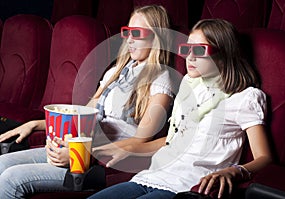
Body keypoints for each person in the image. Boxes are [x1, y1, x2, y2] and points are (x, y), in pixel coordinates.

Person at [0, 5, 177, 198]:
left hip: (105, 163)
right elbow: (84, 115)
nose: (130, 39)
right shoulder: (117, 71)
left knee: (11, 179)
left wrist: (83, 153)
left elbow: (139, 141)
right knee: (2, 164)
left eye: (137, 33)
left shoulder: (162, 79)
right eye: (127, 32)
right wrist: (35, 124)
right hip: (81, 147)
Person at [87, 18, 273, 199]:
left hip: (186, 186)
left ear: (223, 55)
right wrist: (130, 149)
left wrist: (234, 172)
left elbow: (265, 158)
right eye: (187, 49)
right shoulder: (189, 86)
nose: (189, 57)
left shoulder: (245, 98)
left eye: (199, 50)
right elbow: (173, 140)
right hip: (152, 176)